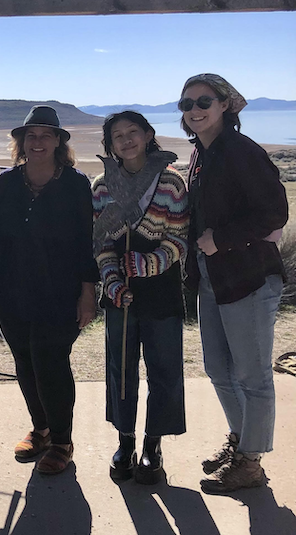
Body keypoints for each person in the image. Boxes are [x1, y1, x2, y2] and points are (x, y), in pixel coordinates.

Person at [179, 74, 288, 493]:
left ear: (225, 104)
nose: (194, 110)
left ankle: (250, 462)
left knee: (252, 374)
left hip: (248, 278)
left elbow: (274, 213)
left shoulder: (242, 151)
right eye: (186, 104)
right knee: (218, 370)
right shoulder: (201, 154)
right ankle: (243, 442)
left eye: (203, 101)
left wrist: (218, 240)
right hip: (213, 278)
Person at [0, 105, 98, 475]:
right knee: (25, 363)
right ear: (20, 142)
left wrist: (88, 293)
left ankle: (63, 441)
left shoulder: (75, 183)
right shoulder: (5, 182)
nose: (37, 142)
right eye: (30, 135)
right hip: (9, 290)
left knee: (50, 361)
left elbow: (86, 242)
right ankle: (41, 429)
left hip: (60, 291)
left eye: (45, 135)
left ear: (58, 142)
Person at [92, 111, 189, 484]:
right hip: (120, 293)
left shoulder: (171, 183)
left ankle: (153, 444)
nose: (127, 139)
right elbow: (100, 241)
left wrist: (147, 263)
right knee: (121, 368)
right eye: (118, 135)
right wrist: (113, 280)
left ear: (149, 135)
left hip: (161, 289)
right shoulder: (102, 186)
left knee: (164, 368)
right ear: (110, 144)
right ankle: (125, 439)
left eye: (134, 132)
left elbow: (178, 238)